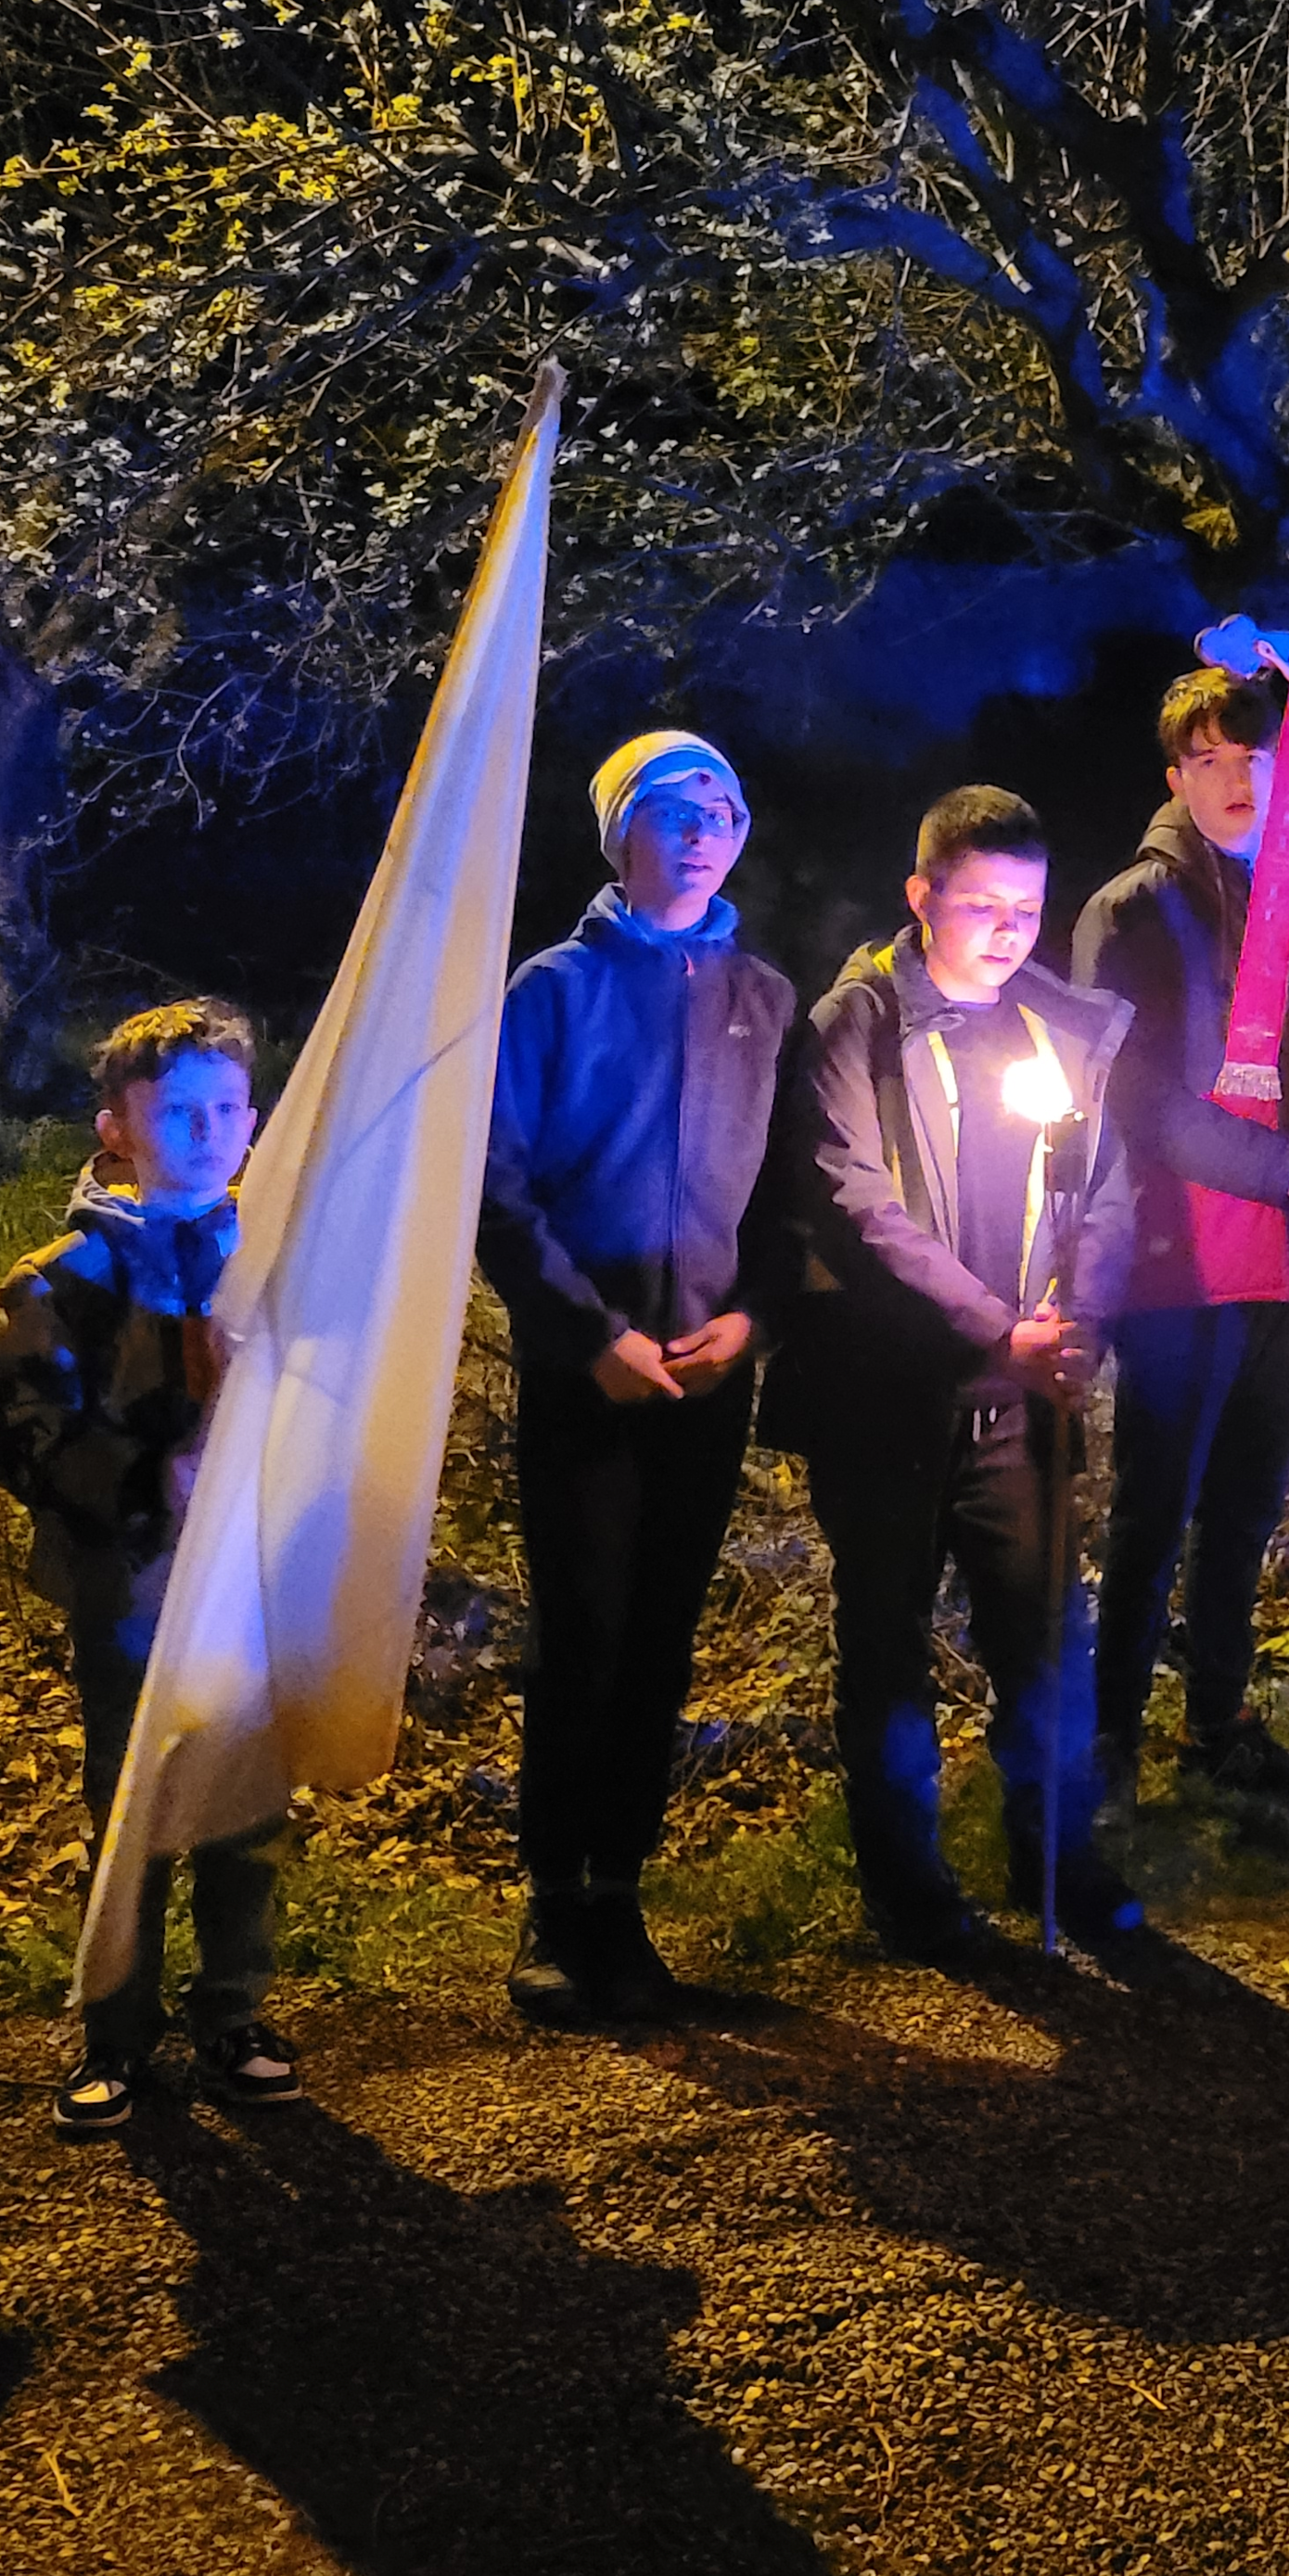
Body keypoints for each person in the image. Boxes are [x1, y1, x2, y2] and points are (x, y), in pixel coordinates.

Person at [758, 787, 1142, 1957]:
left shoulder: (1059, 1031)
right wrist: (993, 1326)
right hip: (887, 1399)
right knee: (886, 1644)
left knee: (1038, 1634)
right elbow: (853, 1203)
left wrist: (1081, 1312)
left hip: (1018, 1408)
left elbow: (1108, 1190)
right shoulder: (859, 1026)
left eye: (1025, 906)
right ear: (921, 895)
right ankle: (910, 1889)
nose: (1008, 928)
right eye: (980, 903)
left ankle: (1058, 1859)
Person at [476, 731, 791, 2020]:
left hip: (708, 1374)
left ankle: (623, 1894)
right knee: (585, 1637)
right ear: (620, 837)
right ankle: (554, 1906)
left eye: (720, 805)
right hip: (584, 1371)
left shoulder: (763, 998)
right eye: (670, 808)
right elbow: (492, 1187)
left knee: (661, 1638)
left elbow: (789, 1195)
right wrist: (585, 1333)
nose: (699, 827)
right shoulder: (551, 992)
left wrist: (754, 1319)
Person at [0, 1001, 300, 2134]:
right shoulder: (68, 1277)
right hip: (130, 1585)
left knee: (242, 1796)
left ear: (253, 1122)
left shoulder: (276, 1259)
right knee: (129, 1798)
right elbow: (18, 1417)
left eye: (223, 1111)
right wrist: (133, 1480)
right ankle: (114, 2028)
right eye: (176, 1112)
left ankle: (234, 2010)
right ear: (116, 1127)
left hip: (247, 1581)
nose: (205, 1133)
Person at [1071, 669, 1289, 1803]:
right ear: (1176, 775)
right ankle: (1106, 1741)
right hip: (1178, 1259)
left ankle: (1216, 1723)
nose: (1243, 778)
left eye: (1261, 758)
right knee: (1154, 1508)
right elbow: (1135, 1099)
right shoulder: (1135, 910)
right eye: (1214, 758)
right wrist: (1283, 1165)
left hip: (1284, 1259)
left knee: (1247, 1507)